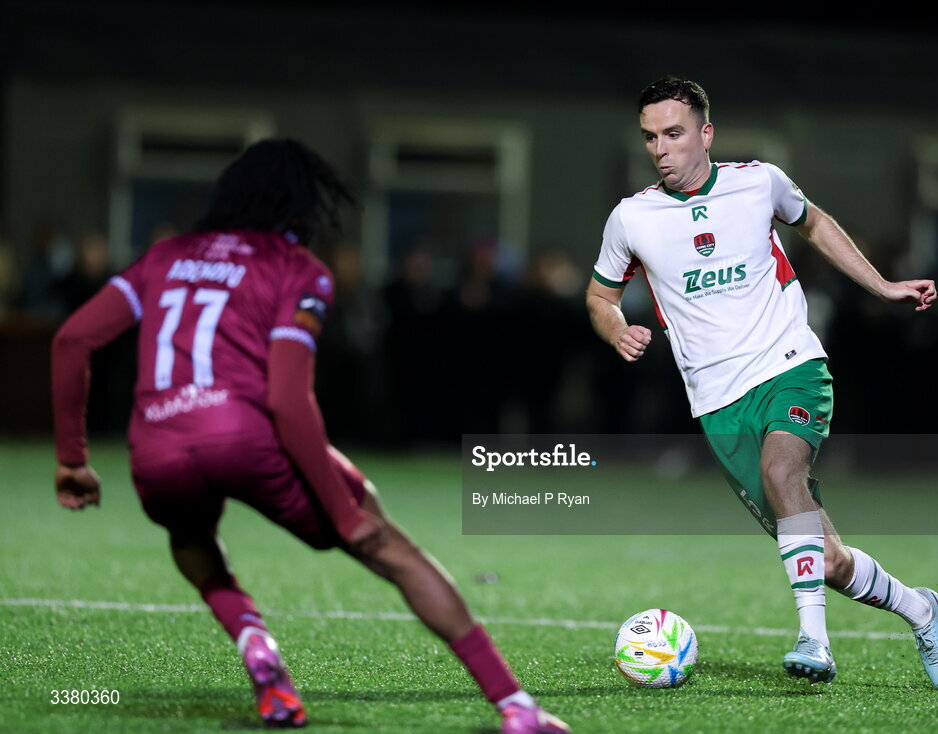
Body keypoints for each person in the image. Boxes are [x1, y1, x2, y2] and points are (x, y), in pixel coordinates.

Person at [51, 139, 570, 732]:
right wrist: (342, 512)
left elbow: (71, 341)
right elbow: (287, 401)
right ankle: (515, 705)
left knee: (191, 538)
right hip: (244, 436)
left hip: (158, 447)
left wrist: (73, 459)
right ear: (302, 206)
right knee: (388, 546)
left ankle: (253, 639)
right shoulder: (298, 269)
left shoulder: (164, 256)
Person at [586, 77, 938, 690]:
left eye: (674, 134)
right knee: (827, 558)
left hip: (789, 366)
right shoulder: (632, 217)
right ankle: (921, 611)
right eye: (651, 137)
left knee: (781, 473)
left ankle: (816, 640)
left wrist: (885, 285)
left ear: (706, 134)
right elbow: (600, 296)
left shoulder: (759, 181)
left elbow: (816, 223)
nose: (661, 149)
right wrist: (614, 327)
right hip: (717, 401)